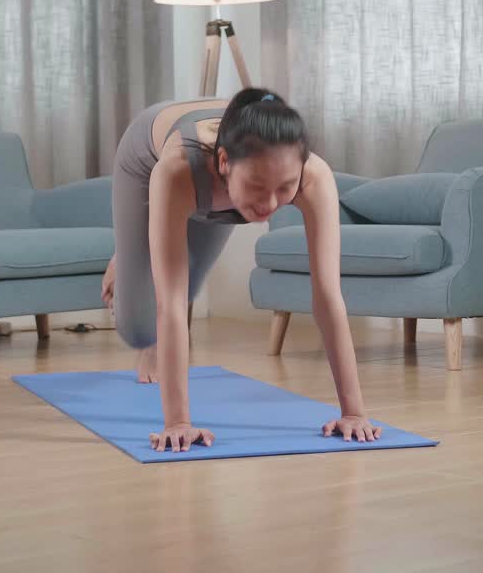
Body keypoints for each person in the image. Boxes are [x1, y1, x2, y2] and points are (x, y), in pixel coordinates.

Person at [101, 88, 382, 453]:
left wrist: (354, 413)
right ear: (224, 162)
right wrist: (178, 424)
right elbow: (169, 304)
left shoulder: (314, 176)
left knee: (190, 282)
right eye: (257, 187)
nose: (270, 204)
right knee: (139, 326)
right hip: (146, 155)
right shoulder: (176, 170)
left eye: (285, 188)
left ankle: (150, 247)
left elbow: (328, 297)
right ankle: (129, 251)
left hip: (223, 169)